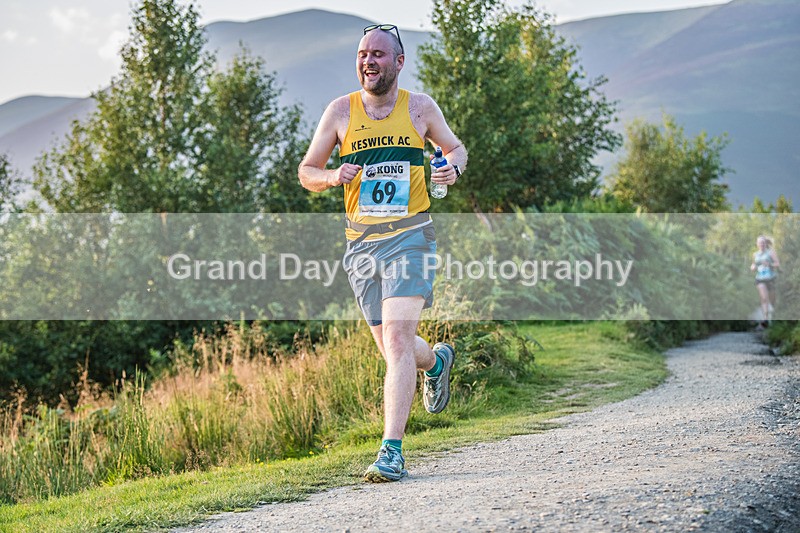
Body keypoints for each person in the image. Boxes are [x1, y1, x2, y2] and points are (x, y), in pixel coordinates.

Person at [298, 23, 468, 482]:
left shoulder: (419, 108)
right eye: (361, 54)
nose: (368, 61)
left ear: (398, 62)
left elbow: (455, 148)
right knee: (394, 349)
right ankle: (437, 361)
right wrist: (333, 177)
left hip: (412, 234)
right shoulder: (339, 112)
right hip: (361, 246)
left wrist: (450, 167)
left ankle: (391, 450)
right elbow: (307, 170)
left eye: (377, 54)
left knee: (395, 340)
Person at [750, 235, 780, 327]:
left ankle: (772, 314)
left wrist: (769, 264)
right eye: (759, 243)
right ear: (757, 244)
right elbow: (753, 266)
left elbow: (777, 264)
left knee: (772, 300)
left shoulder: (771, 253)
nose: (761, 244)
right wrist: (753, 267)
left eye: (763, 243)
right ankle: (765, 319)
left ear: (766, 243)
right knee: (764, 298)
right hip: (760, 278)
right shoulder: (755, 254)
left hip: (770, 278)